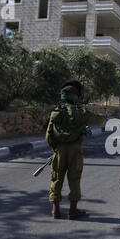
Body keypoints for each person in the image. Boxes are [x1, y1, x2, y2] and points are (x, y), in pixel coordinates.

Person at [46, 80, 106, 220]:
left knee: (56, 179)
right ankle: (73, 211)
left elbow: (49, 135)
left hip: (59, 150)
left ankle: (55, 210)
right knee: (74, 179)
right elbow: (100, 121)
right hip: (76, 150)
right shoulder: (82, 112)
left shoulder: (56, 112)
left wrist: (56, 148)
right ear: (76, 96)